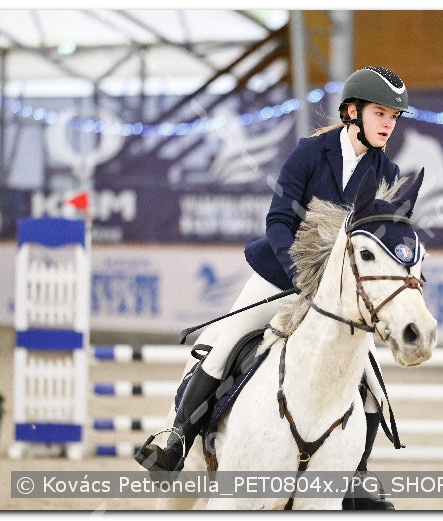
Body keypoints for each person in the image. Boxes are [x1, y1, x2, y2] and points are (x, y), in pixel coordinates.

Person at [135, 66, 411, 509]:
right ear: (351, 112)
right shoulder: (310, 153)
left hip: (336, 300)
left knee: (373, 386)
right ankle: (176, 439)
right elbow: (278, 221)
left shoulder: (387, 172)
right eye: (381, 113)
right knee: (223, 348)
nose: (388, 124)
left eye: (394, 117)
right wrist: (302, 274)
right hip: (279, 277)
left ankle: (357, 478)